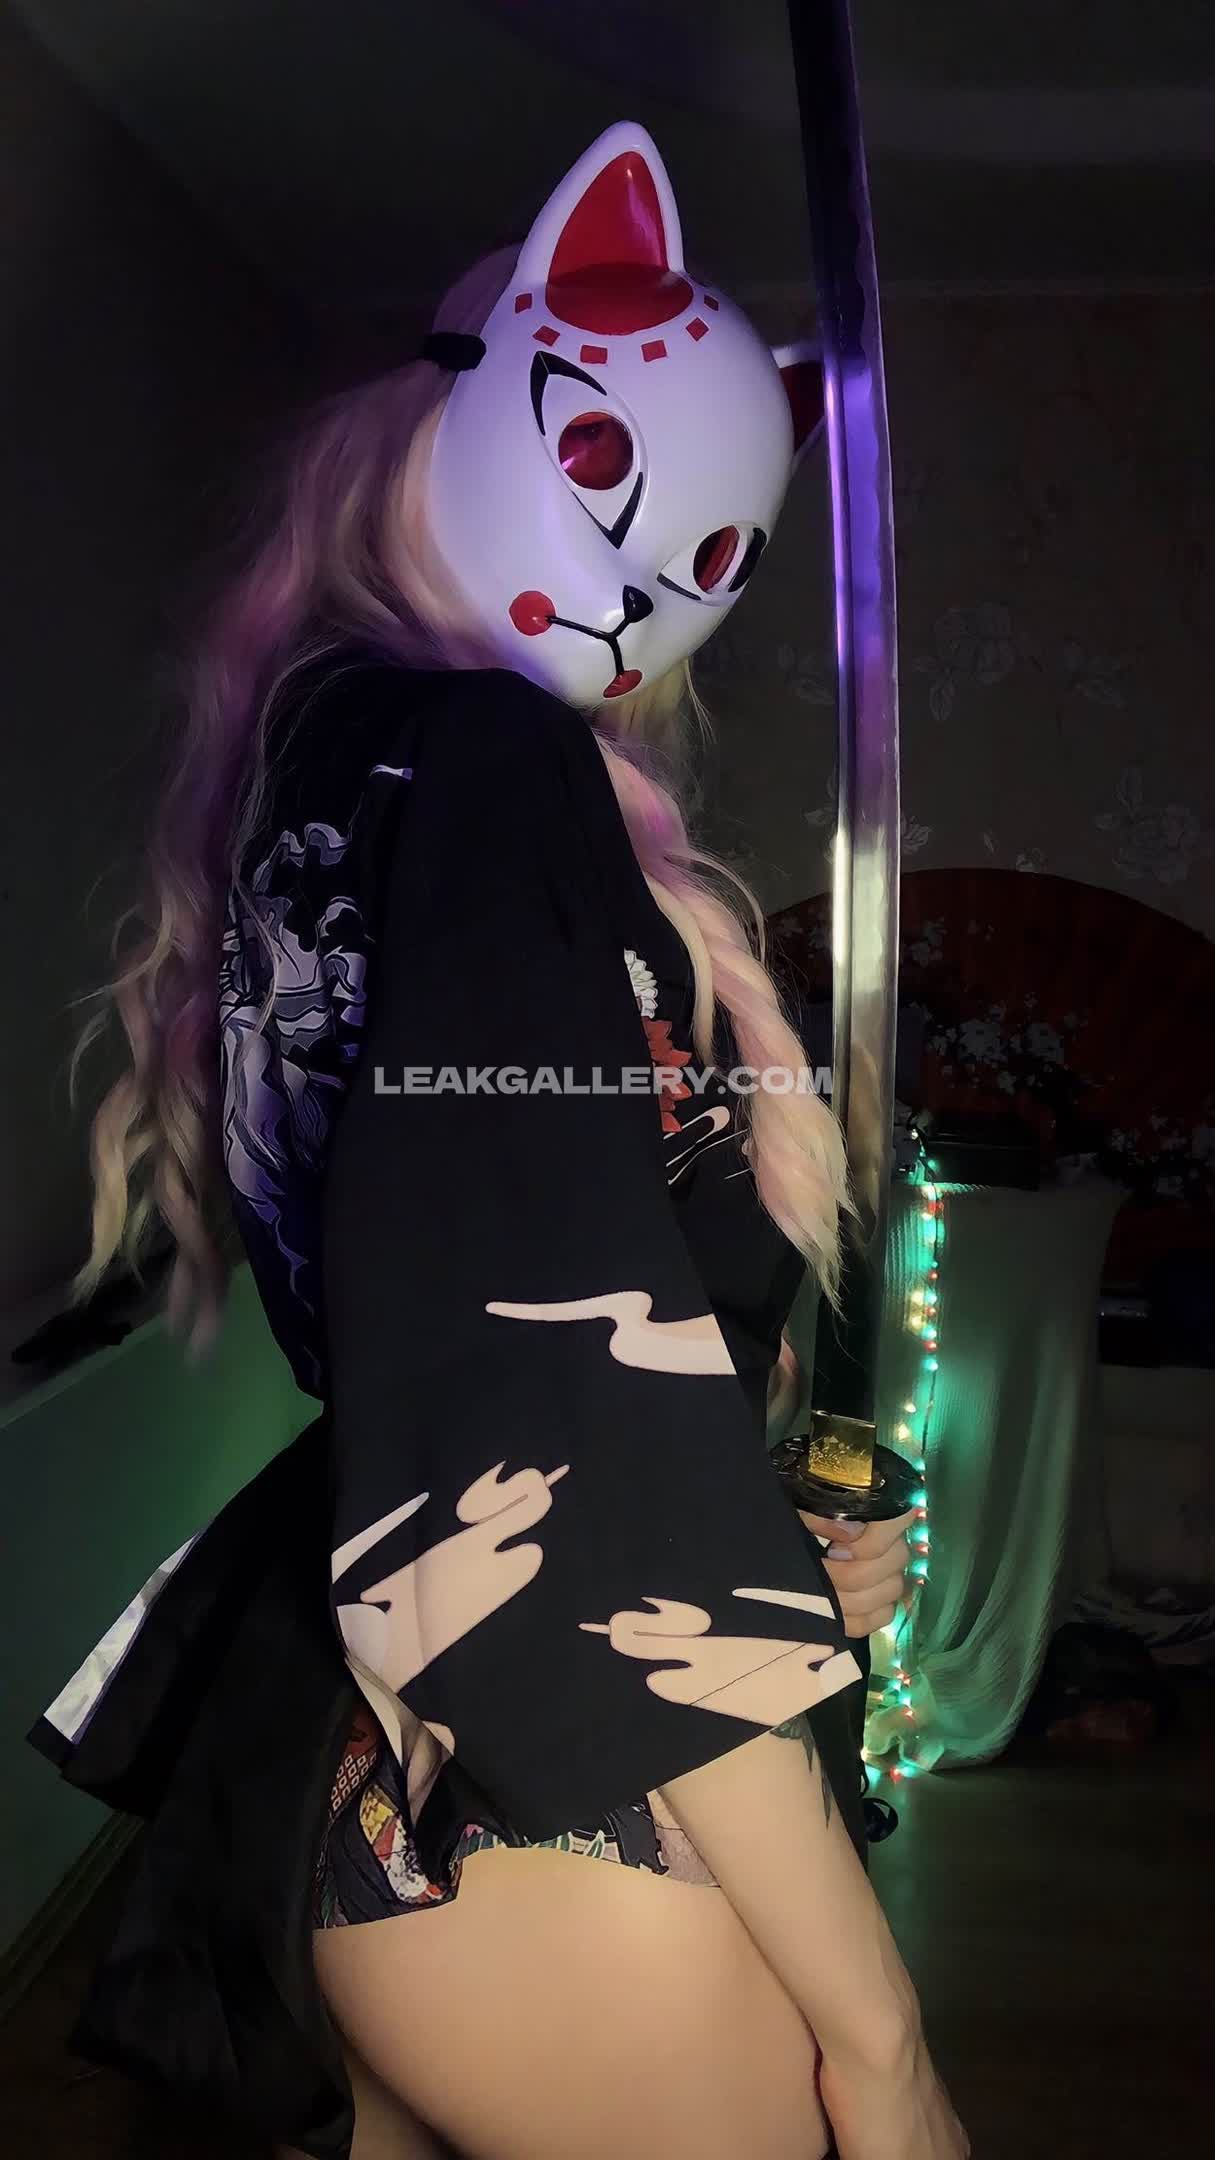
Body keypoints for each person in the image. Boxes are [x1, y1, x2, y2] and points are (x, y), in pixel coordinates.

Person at [30, 124, 967, 2160]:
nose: (652, 586)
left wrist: (760, 1558)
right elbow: (542, 1381)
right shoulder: (471, 756)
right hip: (562, 1800)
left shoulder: (340, 759)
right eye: (609, 464)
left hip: (386, 1758)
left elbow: (507, 1341)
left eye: (714, 556)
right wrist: (883, 2037)